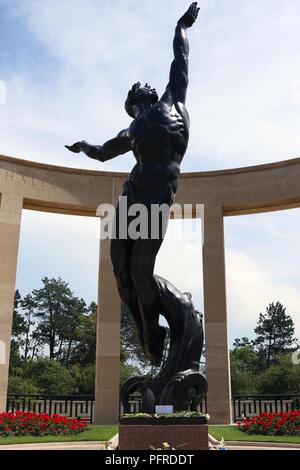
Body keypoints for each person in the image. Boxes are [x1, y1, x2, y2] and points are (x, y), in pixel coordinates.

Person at [66, 3, 200, 365]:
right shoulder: (132, 130)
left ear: (146, 98)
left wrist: (181, 25)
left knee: (140, 269)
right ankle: (146, 331)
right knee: (119, 268)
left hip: (156, 200)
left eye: (137, 100)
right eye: (133, 103)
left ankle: (152, 330)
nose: (137, 104)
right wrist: (82, 146)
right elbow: (103, 152)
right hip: (131, 197)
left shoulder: (174, 103)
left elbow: (180, 56)